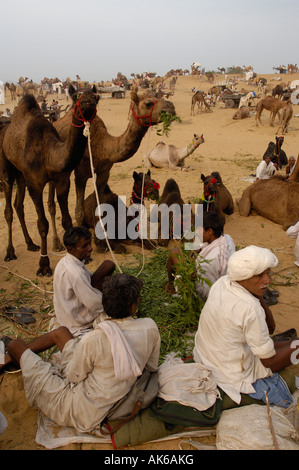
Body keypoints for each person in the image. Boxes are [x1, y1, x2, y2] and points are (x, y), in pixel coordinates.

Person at [2, 273, 161, 433]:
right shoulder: (150, 327)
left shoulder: (94, 338)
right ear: (133, 307)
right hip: (110, 395)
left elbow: (72, 376)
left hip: (81, 409)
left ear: (105, 304)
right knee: (62, 332)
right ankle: (18, 360)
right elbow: (152, 366)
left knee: (16, 344)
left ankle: (9, 358)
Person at [193, 245, 299, 408]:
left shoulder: (223, 283)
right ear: (243, 277)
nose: (267, 281)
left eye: (267, 273)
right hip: (230, 373)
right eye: (259, 276)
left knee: (288, 344)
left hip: (210, 356)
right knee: (295, 348)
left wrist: (258, 294)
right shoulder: (250, 308)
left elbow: (270, 328)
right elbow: (269, 361)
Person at [50, 226, 115, 336]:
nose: (90, 248)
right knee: (118, 322)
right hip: (76, 322)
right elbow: (95, 305)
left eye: (90, 244)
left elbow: (89, 278)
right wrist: (115, 304)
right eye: (84, 246)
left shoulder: (68, 261)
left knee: (108, 265)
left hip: (68, 311)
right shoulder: (75, 273)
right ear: (70, 249)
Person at [166, 211, 235, 301]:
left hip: (209, 297)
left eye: (199, 229)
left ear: (210, 231)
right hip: (223, 284)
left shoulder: (207, 262)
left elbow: (204, 292)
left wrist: (190, 276)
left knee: (174, 252)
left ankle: (171, 287)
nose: (196, 232)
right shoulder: (228, 239)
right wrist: (201, 247)